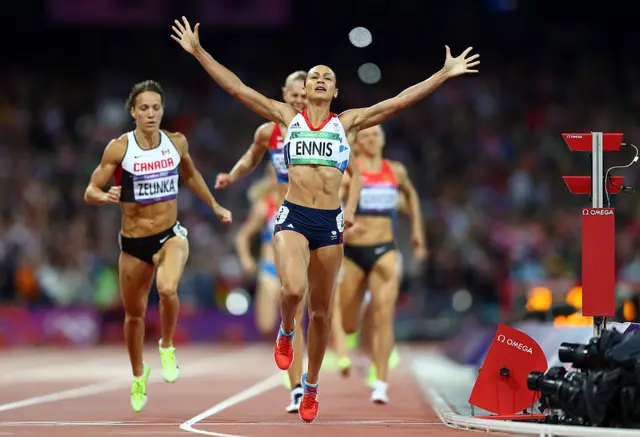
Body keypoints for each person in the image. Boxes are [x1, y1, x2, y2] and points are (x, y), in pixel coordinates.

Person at [171, 16, 479, 422]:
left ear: (334, 91)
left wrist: (442, 74)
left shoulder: (347, 123)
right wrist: (198, 52)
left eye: (326, 77)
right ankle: (285, 332)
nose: (318, 80)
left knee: (321, 314)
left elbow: (399, 101)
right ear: (304, 89)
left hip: (329, 222)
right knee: (294, 291)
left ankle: (312, 385)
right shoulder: (286, 118)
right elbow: (236, 87)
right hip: (294, 215)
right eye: (313, 75)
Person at [83, 80, 231, 413]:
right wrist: (105, 196)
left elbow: (191, 177)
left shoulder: (176, 143)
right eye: (144, 108)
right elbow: (89, 190)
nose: (150, 114)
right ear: (133, 112)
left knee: (167, 289)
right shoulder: (119, 149)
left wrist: (216, 207)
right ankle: (138, 376)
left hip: (170, 235)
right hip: (133, 242)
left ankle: (166, 345)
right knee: (134, 316)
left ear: (163, 111)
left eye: (156, 108)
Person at [216, 70, 309, 413]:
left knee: (312, 312)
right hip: (285, 227)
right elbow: (249, 158)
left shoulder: (326, 128)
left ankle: (303, 382)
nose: (299, 100)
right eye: (294, 94)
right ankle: (298, 386)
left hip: (317, 222)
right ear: (283, 94)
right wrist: (232, 175)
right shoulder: (269, 132)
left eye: (304, 94)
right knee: (288, 313)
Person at [331, 125, 427, 404]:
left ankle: (381, 383)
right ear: (357, 144)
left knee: (385, 315)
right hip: (353, 254)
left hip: (385, 249)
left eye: (376, 135)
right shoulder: (349, 173)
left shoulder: (396, 170)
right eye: (365, 136)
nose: (371, 139)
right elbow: (331, 206)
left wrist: (418, 231)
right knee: (349, 324)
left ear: (384, 139)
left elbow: (412, 195)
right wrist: (343, 229)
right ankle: (356, 338)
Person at [234, 164, 305, 413]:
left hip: (294, 268)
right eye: (276, 171)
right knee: (265, 324)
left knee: (295, 321)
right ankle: (283, 335)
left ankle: (297, 383)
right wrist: (245, 258)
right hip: (269, 269)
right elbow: (243, 235)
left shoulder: (302, 200)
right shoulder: (265, 205)